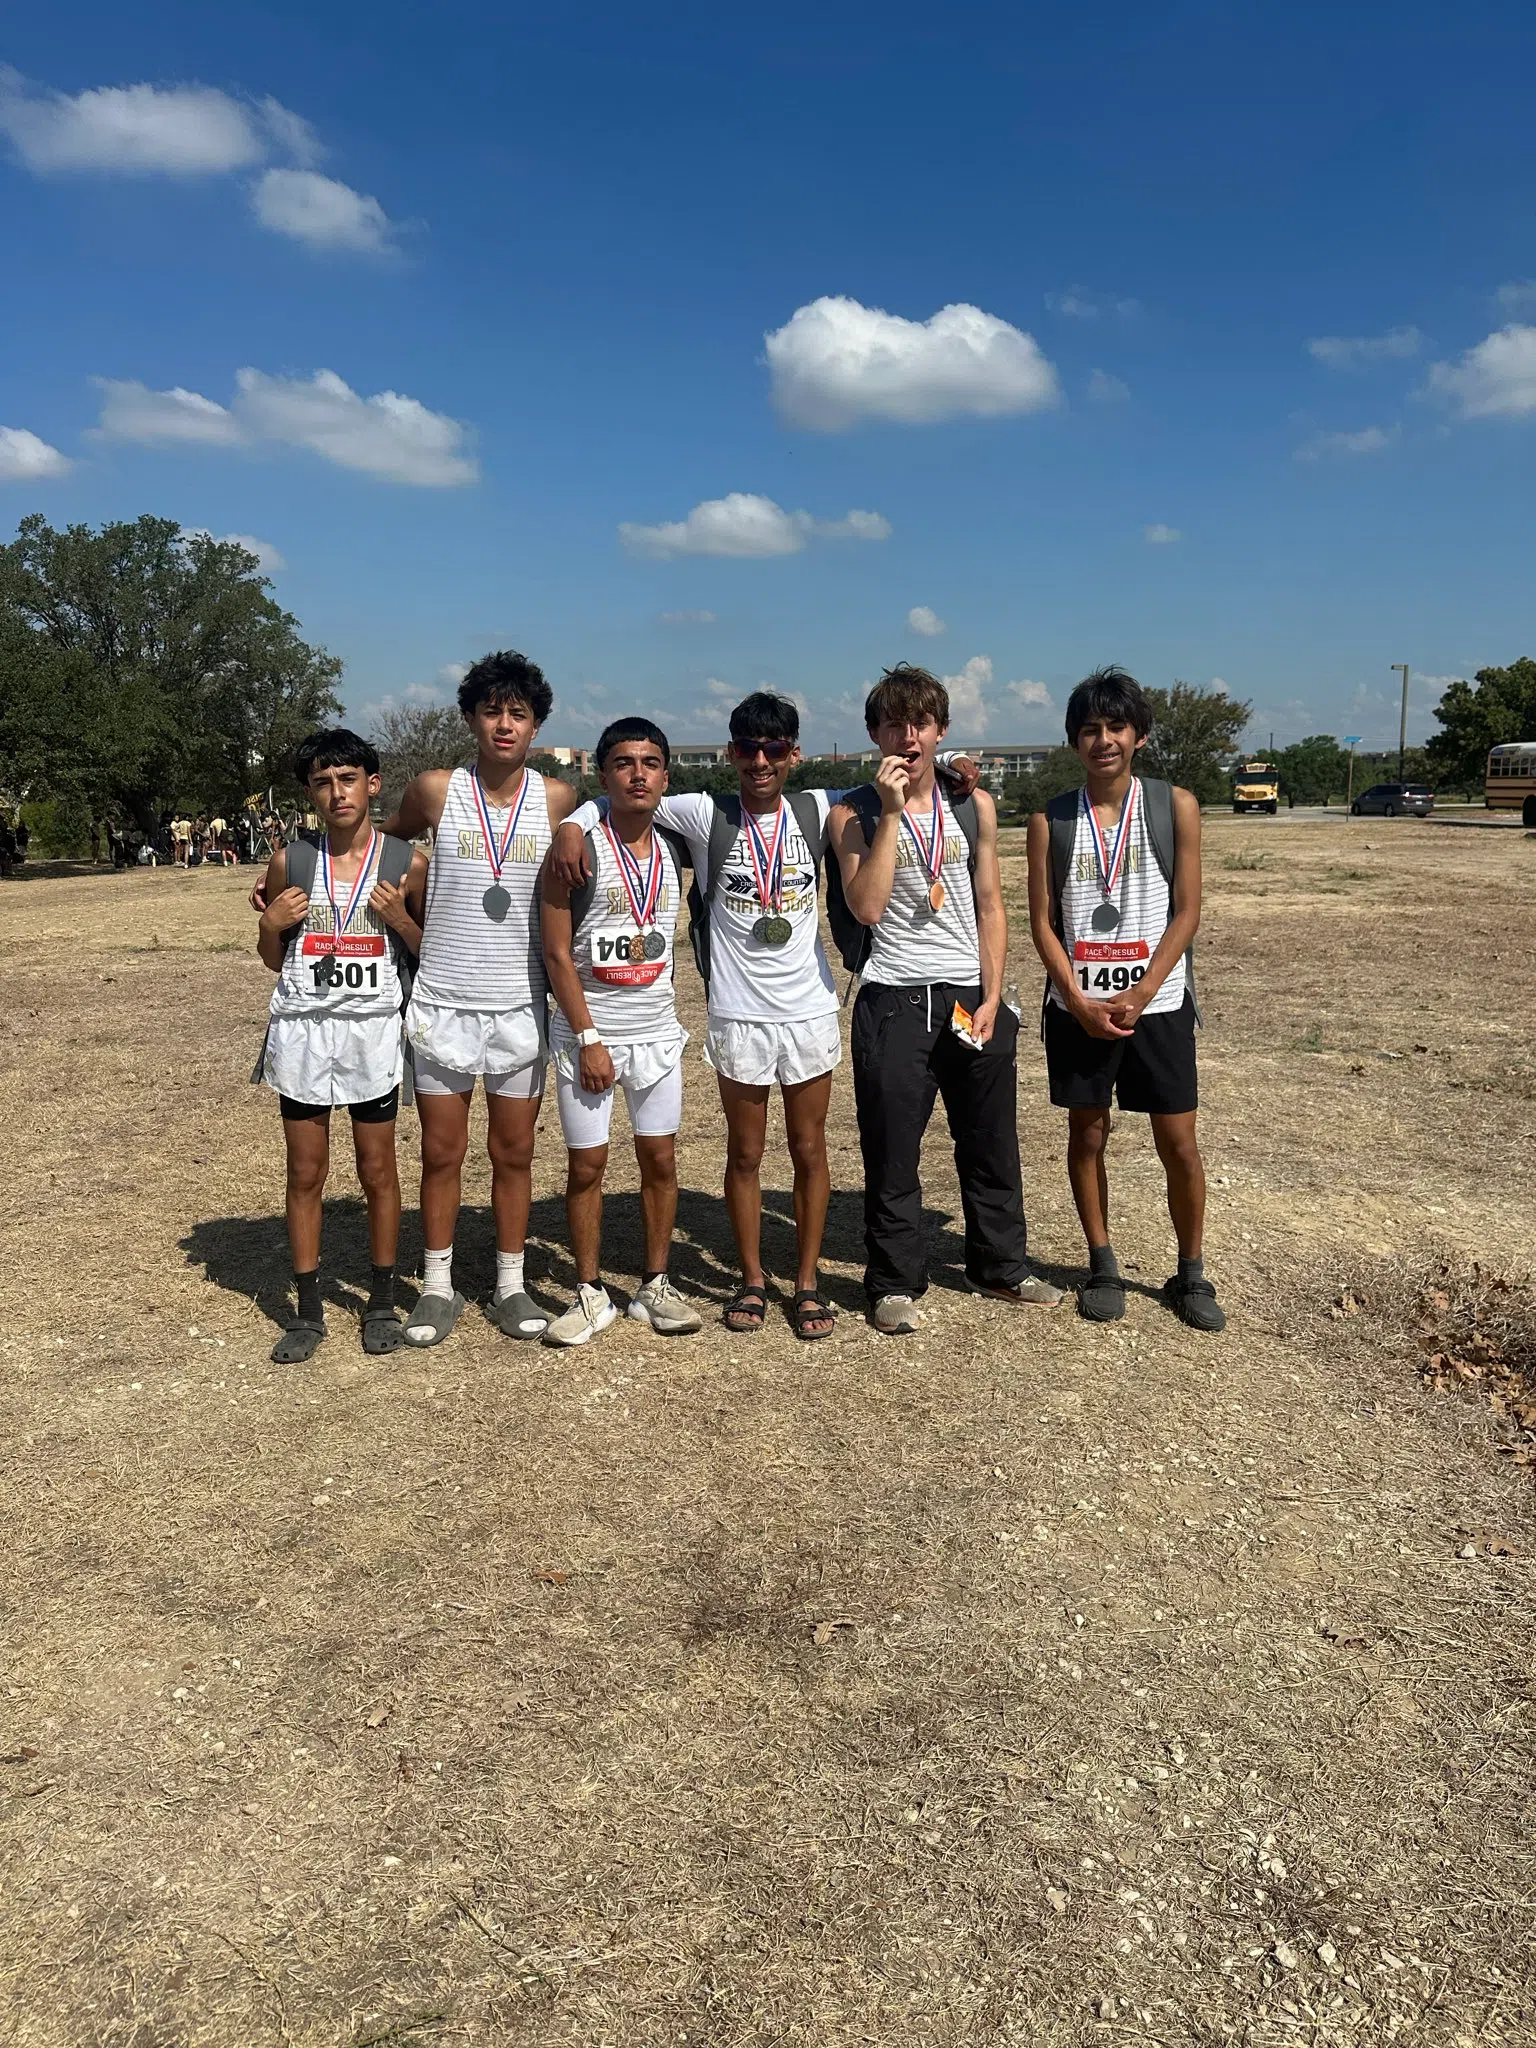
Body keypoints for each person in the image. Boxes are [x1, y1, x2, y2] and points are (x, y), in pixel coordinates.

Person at [552, 692, 843, 1339]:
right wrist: (574, 824)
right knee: (744, 1154)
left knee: (808, 1150)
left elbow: (890, 783)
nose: (760, 761)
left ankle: (808, 1282)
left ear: (793, 753)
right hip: (738, 1015)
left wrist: (954, 764)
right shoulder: (704, 811)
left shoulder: (815, 807)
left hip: (808, 1011)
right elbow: (626, 797)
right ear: (730, 753)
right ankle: (750, 1279)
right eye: (747, 748)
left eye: (774, 749)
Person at [827, 665, 1063, 1334]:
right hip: (893, 1001)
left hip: (970, 996)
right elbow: (866, 906)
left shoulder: (974, 805)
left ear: (941, 730)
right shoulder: (855, 812)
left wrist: (994, 995)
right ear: (874, 732)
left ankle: (1001, 1267)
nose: (910, 736)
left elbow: (991, 906)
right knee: (892, 1149)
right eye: (895, 724)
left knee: (991, 1142)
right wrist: (894, 814)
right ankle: (895, 1281)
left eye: (922, 723)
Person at [384, 648, 581, 1347]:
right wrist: (308, 872)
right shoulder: (437, 789)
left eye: (519, 714)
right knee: (440, 1152)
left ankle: (509, 1284)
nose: (505, 724)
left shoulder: (557, 799)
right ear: (470, 717)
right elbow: (385, 847)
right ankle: (436, 1288)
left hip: (521, 1004)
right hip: (442, 1001)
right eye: (492, 710)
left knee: (514, 1154)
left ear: (536, 725)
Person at [1025, 665, 1224, 1331]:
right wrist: (1076, 1000)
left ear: (1139, 735)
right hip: (1079, 1009)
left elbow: (1188, 911)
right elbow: (1042, 924)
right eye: (1089, 729)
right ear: (1074, 740)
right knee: (1088, 1134)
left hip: (1158, 1006)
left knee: (1180, 1144)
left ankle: (1191, 1271)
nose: (1103, 739)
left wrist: (1143, 989)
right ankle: (1102, 1262)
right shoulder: (1050, 820)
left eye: (1115, 726)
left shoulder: (1176, 807)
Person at [254, 729, 427, 1363]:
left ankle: (380, 1301)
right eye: (324, 782)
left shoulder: (406, 862)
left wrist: (402, 919)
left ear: (373, 783)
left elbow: (428, 951)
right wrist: (270, 927)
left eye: (348, 778)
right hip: (303, 1031)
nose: (337, 792)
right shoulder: (290, 862)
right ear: (310, 791)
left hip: (371, 1031)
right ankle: (307, 1312)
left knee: (377, 1170)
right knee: (305, 1173)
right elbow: (277, 959)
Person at [538, 718, 703, 1346]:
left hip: (656, 1033)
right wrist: (587, 1038)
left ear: (666, 774)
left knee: (659, 1159)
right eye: (625, 763)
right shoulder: (574, 850)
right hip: (589, 1037)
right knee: (588, 1166)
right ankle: (588, 1293)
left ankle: (654, 1284)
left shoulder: (673, 842)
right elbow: (556, 954)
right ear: (602, 775)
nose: (639, 774)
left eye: (652, 763)